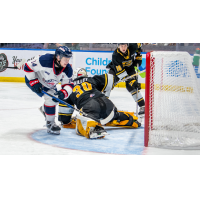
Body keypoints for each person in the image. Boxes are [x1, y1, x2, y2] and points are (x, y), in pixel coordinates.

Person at [58, 68, 141, 139]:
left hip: (90, 107)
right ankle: (131, 119)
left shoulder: (68, 89)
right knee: (114, 115)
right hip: (108, 104)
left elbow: (64, 119)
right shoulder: (92, 79)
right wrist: (131, 82)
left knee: (82, 122)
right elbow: (111, 79)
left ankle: (93, 128)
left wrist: (66, 120)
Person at [24, 46, 74, 135]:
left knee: (52, 99)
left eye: (68, 58)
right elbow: (27, 66)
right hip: (34, 79)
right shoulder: (45, 60)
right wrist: (34, 81)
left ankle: (49, 121)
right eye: (65, 58)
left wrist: (63, 93)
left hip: (49, 84)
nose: (67, 61)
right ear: (58, 57)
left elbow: (69, 84)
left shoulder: (68, 69)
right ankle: (48, 115)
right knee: (50, 99)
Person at [106, 43, 145, 116]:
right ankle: (102, 103)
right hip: (115, 69)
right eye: (121, 46)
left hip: (129, 69)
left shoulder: (133, 47)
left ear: (128, 46)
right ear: (118, 46)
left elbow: (139, 44)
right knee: (109, 83)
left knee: (132, 87)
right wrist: (131, 81)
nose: (123, 48)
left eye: (125, 46)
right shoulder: (115, 55)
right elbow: (120, 72)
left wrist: (138, 53)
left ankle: (143, 106)